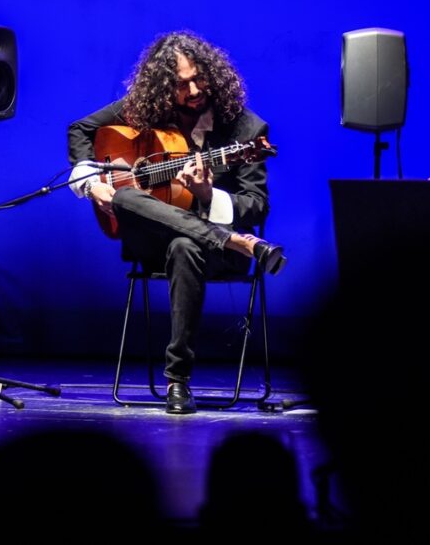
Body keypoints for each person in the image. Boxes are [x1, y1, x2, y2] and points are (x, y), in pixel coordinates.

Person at [67, 30, 285, 415]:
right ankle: (232, 239)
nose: (194, 89)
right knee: (122, 193)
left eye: (199, 78)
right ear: (163, 86)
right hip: (152, 243)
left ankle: (177, 381)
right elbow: (81, 129)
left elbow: (257, 206)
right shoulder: (147, 111)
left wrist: (207, 196)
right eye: (182, 84)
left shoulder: (247, 131)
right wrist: (93, 184)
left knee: (186, 246)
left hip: (212, 257)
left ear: (212, 74)